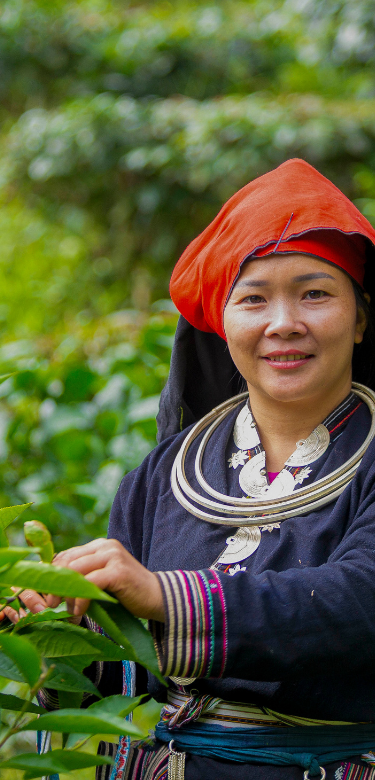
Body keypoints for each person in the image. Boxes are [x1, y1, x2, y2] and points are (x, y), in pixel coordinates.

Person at [7, 158, 375, 780]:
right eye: (253, 298)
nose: (283, 323)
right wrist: (60, 634)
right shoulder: (162, 477)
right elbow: (137, 677)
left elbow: (357, 602)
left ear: (362, 318)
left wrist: (163, 596)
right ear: (222, 325)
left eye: (315, 293)